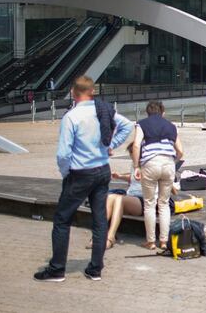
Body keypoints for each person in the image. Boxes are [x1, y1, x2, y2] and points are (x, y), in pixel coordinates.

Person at [34, 75, 133, 282]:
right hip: (102, 170)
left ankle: (57, 269)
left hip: (80, 173)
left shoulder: (71, 117)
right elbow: (127, 125)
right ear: (92, 91)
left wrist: (66, 173)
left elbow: (63, 154)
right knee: (99, 220)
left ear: (73, 92)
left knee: (62, 219)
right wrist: (111, 145)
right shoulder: (103, 110)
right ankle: (95, 269)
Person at [132, 101, 184, 250]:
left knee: (149, 203)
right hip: (168, 164)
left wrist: (136, 166)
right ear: (163, 113)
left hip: (150, 163)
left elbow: (136, 145)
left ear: (147, 113)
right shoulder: (171, 126)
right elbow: (180, 151)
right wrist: (173, 161)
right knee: (164, 203)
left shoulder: (142, 124)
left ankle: (151, 241)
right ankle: (163, 240)